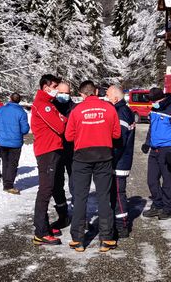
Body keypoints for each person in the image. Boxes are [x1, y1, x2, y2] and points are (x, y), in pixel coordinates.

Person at [65, 80, 121, 253]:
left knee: (80, 197)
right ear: (96, 91)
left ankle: (78, 240)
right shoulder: (109, 108)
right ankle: (106, 239)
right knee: (104, 197)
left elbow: (68, 137)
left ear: (82, 94)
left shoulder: (76, 111)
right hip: (104, 155)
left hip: (82, 157)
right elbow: (117, 134)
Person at [31, 74, 68, 246]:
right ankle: (41, 232)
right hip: (47, 151)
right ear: (46, 88)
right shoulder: (43, 105)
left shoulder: (49, 104)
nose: (57, 91)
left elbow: (61, 121)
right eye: (55, 87)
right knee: (45, 190)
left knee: (51, 187)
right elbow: (60, 126)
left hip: (53, 150)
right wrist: (63, 119)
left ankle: (44, 225)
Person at [141, 87, 171, 220]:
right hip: (154, 150)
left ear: (160, 99)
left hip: (167, 150)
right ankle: (157, 204)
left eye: (153, 101)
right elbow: (152, 128)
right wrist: (147, 143)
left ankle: (168, 208)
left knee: (167, 181)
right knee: (151, 180)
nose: (151, 104)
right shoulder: (155, 108)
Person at [106, 85, 136, 238]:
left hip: (119, 162)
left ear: (116, 98)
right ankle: (119, 223)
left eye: (108, 97)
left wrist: (110, 159)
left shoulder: (121, 113)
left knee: (118, 194)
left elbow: (119, 141)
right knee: (117, 194)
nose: (107, 100)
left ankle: (122, 226)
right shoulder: (125, 111)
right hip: (121, 161)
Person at [0, 92, 30, 195]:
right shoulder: (22, 113)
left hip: (2, 141)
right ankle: (8, 185)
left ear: (10, 99)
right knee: (13, 164)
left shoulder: (0, 110)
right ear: (19, 100)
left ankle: (6, 183)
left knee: (5, 162)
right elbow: (25, 129)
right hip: (15, 142)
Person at [52, 81, 76, 219]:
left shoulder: (75, 108)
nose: (64, 96)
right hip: (56, 150)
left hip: (72, 150)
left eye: (67, 93)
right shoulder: (51, 107)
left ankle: (78, 214)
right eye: (61, 93)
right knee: (57, 183)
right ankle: (62, 214)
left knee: (76, 183)